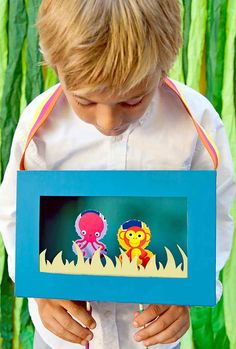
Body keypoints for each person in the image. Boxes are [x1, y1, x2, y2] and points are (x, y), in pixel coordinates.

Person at [0, 0, 235, 348]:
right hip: (64, 340)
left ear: (164, 65)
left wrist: (193, 289)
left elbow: (215, 212)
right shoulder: (40, 126)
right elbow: (15, 212)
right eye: (85, 101)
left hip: (150, 338)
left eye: (132, 100)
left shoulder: (195, 122)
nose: (108, 123)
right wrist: (41, 292)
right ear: (55, 65)